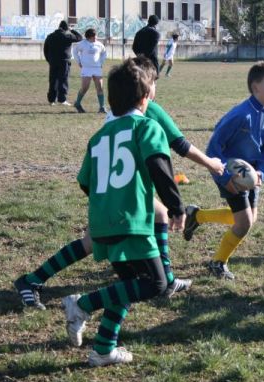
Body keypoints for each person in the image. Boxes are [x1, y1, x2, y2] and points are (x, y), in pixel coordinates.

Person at [13, 56, 224, 310]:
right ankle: (34, 280)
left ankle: (165, 280)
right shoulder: (149, 111)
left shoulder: (116, 112)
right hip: (123, 191)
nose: (156, 88)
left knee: (157, 217)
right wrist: (211, 164)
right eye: (154, 82)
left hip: (106, 187)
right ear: (146, 90)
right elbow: (180, 145)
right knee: (100, 242)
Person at [62, 58, 185, 367]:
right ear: (146, 97)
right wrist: (176, 207)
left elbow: (86, 182)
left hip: (104, 222)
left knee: (126, 286)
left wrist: (108, 205)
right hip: (131, 222)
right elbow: (160, 167)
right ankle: (82, 304)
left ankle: (103, 349)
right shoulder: (147, 126)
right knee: (156, 284)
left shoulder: (99, 136)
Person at [181, 62, 264, 280]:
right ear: (255, 87)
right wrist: (225, 176)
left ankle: (196, 216)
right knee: (244, 223)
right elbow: (213, 148)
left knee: (248, 219)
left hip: (252, 175)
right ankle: (218, 262)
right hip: (228, 172)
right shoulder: (240, 115)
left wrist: (261, 173)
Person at [43, 21, 82, 105]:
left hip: (53, 61)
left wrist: (48, 59)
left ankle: (51, 100)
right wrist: (72, 30)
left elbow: (45, 49)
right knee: (63, 80)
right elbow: (79, 38)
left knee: (53, 80)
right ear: (66, 28)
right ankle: (62, 99)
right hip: (64, 61)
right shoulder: (68, 36)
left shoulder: (50, 36)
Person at [73, 28, 107, 113]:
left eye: (96, 36)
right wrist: (79, 61)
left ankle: (102, 107)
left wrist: (101, 62)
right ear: (88, 37)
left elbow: (104, 53)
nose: (95, 38)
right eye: (93, 36)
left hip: (97, 68)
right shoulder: (82, 44)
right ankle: (77, 103)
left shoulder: (99, 44)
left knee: (100, 87)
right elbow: (75, 51)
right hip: (86, 68)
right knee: (85, 88)